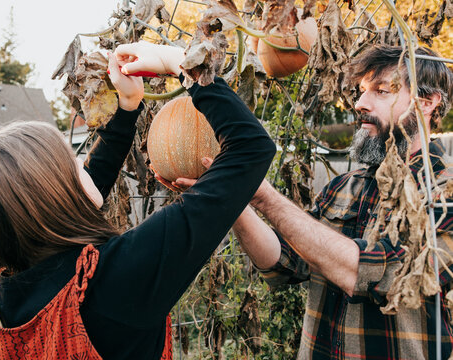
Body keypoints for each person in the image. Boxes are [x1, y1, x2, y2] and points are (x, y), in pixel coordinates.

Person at [0, 41, 276, 360]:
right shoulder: (122, 274)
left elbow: (89, 184)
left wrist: (127, 105)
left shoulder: (9, 279)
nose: (82, 162)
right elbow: (251, 148)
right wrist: (180, 63)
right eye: (71, 163)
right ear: (53, 199)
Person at [173, 45, 453, 359]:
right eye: (361, 91)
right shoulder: (343, 187)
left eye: (382, 91)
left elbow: (380, 276)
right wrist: (236, 194)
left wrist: (267, 198)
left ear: (426, 103)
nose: (360, 104)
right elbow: (284, 263)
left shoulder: (445, 191)